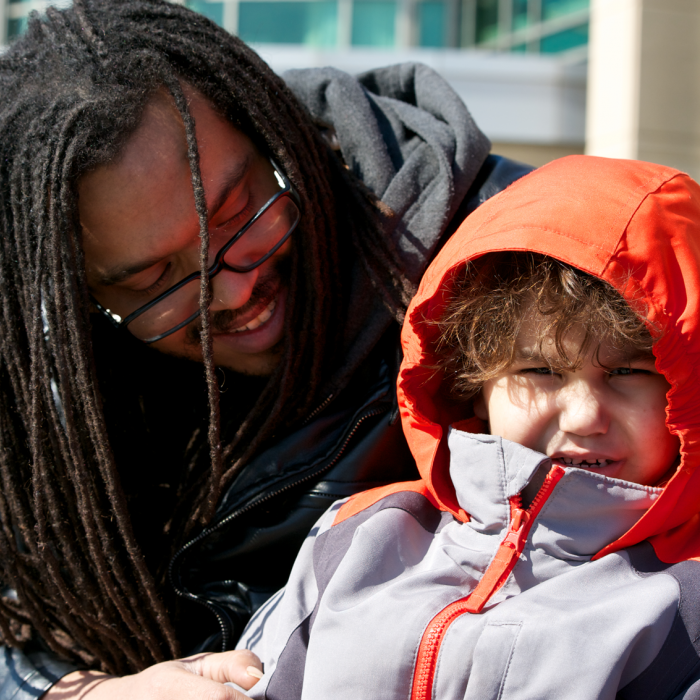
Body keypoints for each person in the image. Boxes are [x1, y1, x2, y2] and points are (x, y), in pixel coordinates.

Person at [0, 0, 534, 698]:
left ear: (282, 136)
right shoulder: (66, 390)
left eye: (234, 213)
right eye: (155, 279)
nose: (230, 291)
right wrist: (80, 692)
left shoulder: (525, 267)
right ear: (84, 296)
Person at [237, 155, 700, 700]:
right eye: (540, 371)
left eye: (628, 371)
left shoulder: (684, 601)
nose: (583, 417)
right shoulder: (362, 536)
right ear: (475, 383)